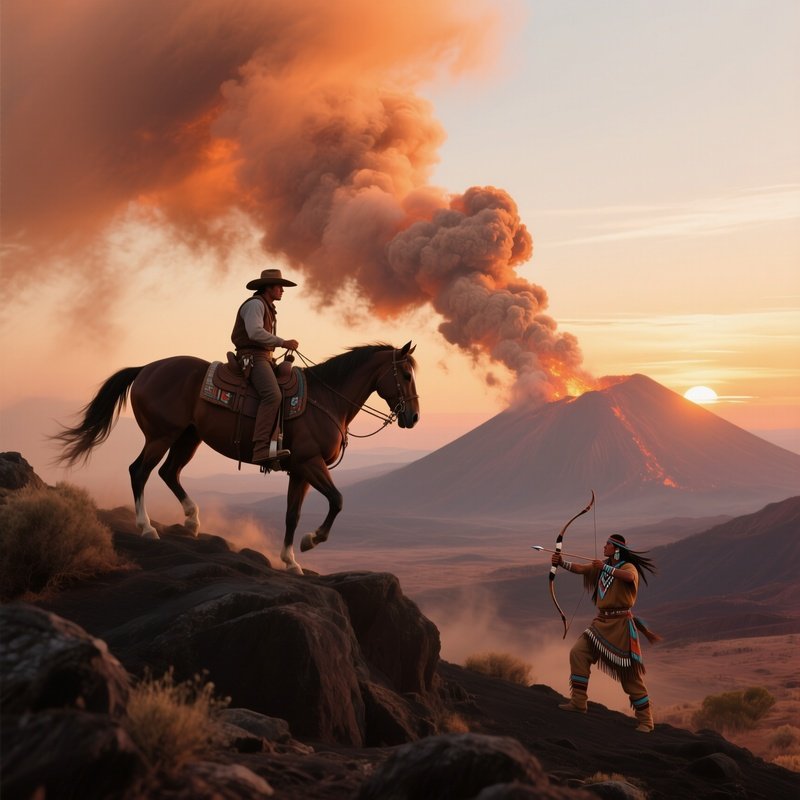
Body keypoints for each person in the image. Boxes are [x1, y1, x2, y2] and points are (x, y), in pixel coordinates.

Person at [551, 533, 661, 732]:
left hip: (620, 626)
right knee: (578, 652)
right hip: (601, 623)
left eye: (607, 545)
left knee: (629, 676)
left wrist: (606, 568)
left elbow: (629, 577)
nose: (604, 547)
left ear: (616, 549)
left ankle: (646, 721)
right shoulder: (602, 567)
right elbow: (580, 568)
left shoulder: (628, 567)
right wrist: (561, 563)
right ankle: (578, 702)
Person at [231, 268, 300, 468]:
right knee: (273, 395)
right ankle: (261, 448)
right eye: (279, 286)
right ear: (268, 287)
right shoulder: (255, 305)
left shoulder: (267, 307)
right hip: (253, 358)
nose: (282, 290)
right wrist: (282, 342)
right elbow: (254, 333)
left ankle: (275, 443)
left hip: (264, 358)